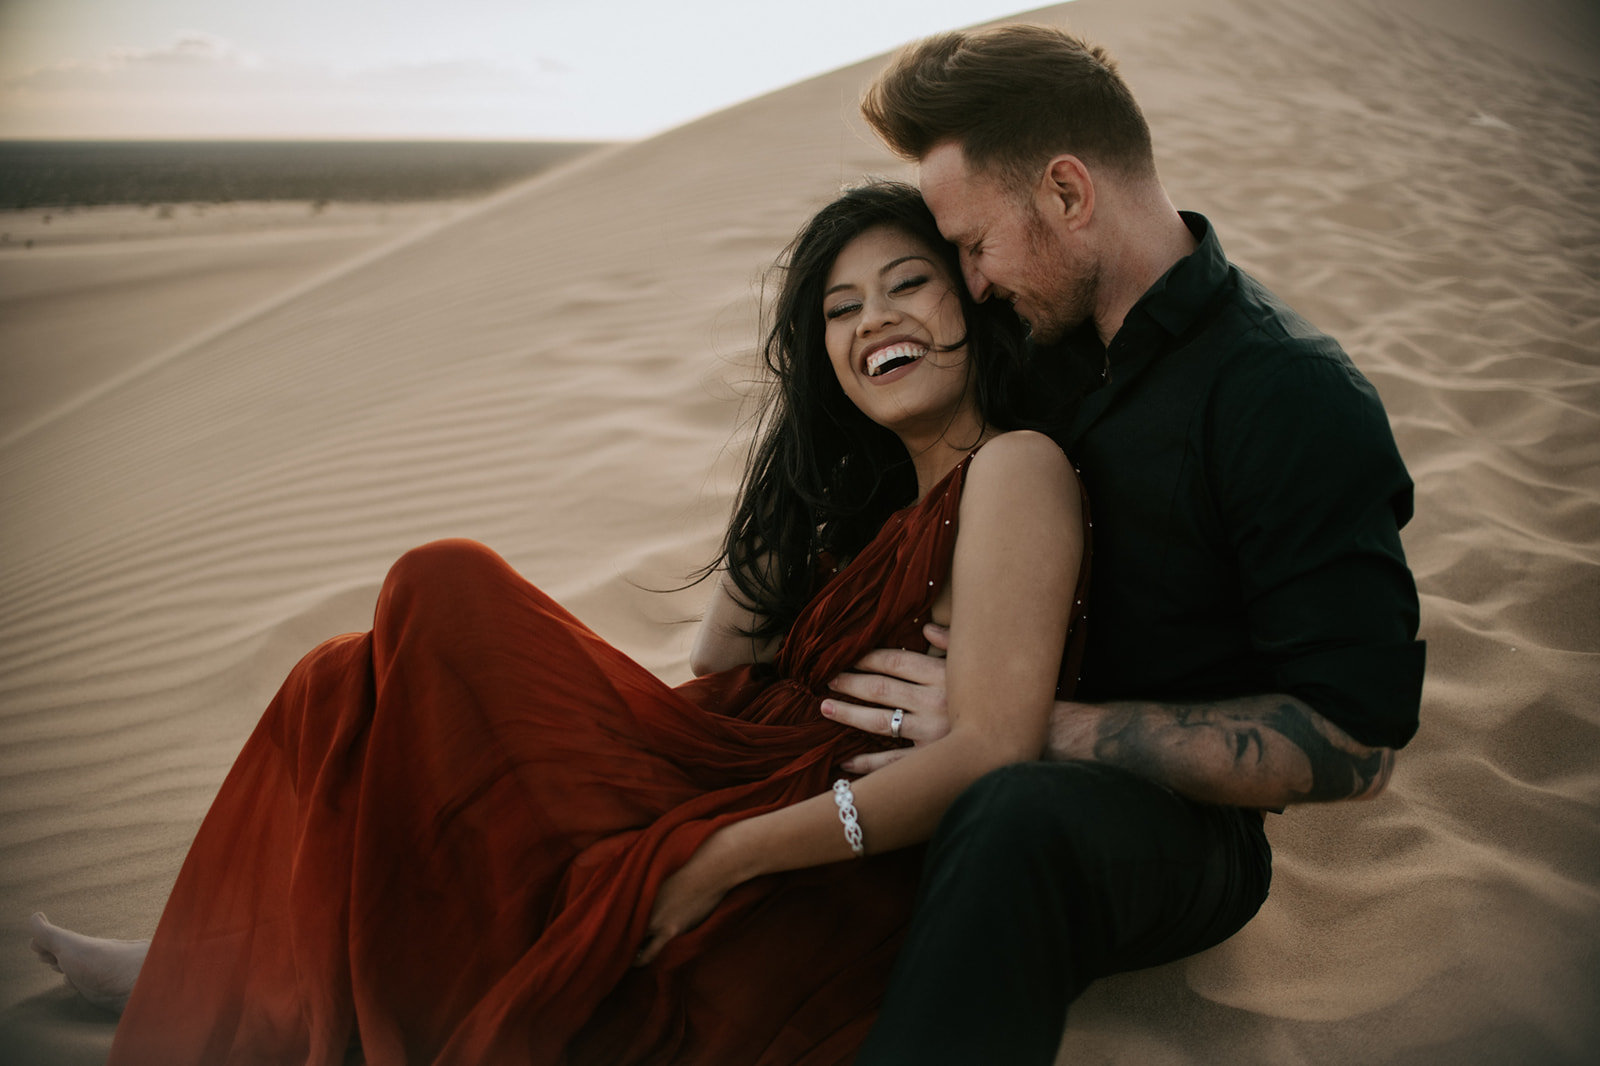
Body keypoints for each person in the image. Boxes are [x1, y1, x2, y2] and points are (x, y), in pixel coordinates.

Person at [28, 182, 1094, 1065]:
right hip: (722, 756)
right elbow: (719, 656)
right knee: (339, 681)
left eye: (908, 286)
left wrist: (723, 858)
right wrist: (798, 454)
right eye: (840, 312)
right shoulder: (876, 504)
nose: (876, 323)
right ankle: (208, 963)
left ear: (973, 305)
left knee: (441, 585)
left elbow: (994, 747)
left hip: (803, 828)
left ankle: (226, 975)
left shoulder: (1013, 465)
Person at [814, 25, 1426, 1065]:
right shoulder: (1032, 342)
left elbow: (1354, 743)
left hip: (1164, 826)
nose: (968, 281)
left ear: (1065, 193)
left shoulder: (1285, 395)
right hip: (953, 740)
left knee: (1013, 817)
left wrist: (1024, 728)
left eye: (972, 244)